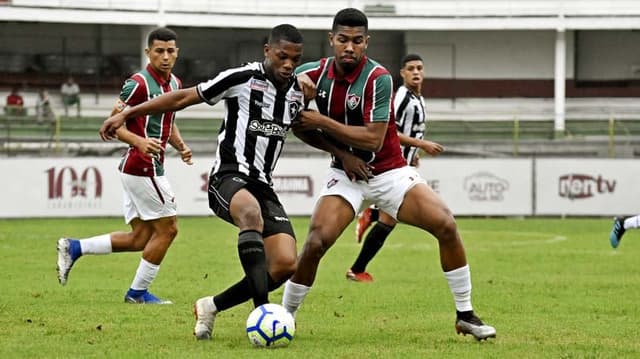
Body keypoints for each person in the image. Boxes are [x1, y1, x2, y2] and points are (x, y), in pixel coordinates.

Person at [281, 8, 496, 341]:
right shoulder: (313, 73)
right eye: (342, 40)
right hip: (345, 174)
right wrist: (294, 78)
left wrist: (322, 120)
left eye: (356, 41)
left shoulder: (378, 78)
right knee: (316, 242)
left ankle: (465, 315)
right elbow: (298, 124)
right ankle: (285, 317)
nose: (349, 47)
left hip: (391, 173)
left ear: (366, 42)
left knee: (447, 225)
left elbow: (374, 137)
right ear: (331, 40)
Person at [99, 24, 309, 340]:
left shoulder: (296, 91)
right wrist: (127, 114)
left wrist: (344, 154)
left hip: (263, 185)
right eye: (282, 56)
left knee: (284, 264)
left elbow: (310, 117)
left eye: (295, 59)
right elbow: (183, 97)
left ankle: (210, 306)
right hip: (228, 178)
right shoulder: (241, 78)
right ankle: (263, 311)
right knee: (251, 215)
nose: (288, 64)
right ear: (267, 51)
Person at [57, 27, 193, 304]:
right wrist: (140, 142)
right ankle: (137, 293)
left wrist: (179, 145)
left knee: (140, 238)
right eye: (159, 51)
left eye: (170, 51)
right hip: (142, 165)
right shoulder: (138, 83)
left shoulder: (175, 84)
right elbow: (111, 125)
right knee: (168, 229)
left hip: (139, 167)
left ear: (177, 53)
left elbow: (169, 120)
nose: (165, 57)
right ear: (148, 52)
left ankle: (75, 247)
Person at [348, 54, 444, 282]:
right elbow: (391, 132)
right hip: (392, 167)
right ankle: (358, 261)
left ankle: (360, 259)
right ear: (402, 73)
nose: (416, 72)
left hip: (404, 164)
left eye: (419, 68)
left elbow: (413, 129)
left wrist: (415, 154)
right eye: (410, 68)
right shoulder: (401, 97)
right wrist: (422, 144)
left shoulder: (418, 98)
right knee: (391, 219)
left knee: (390, 219)